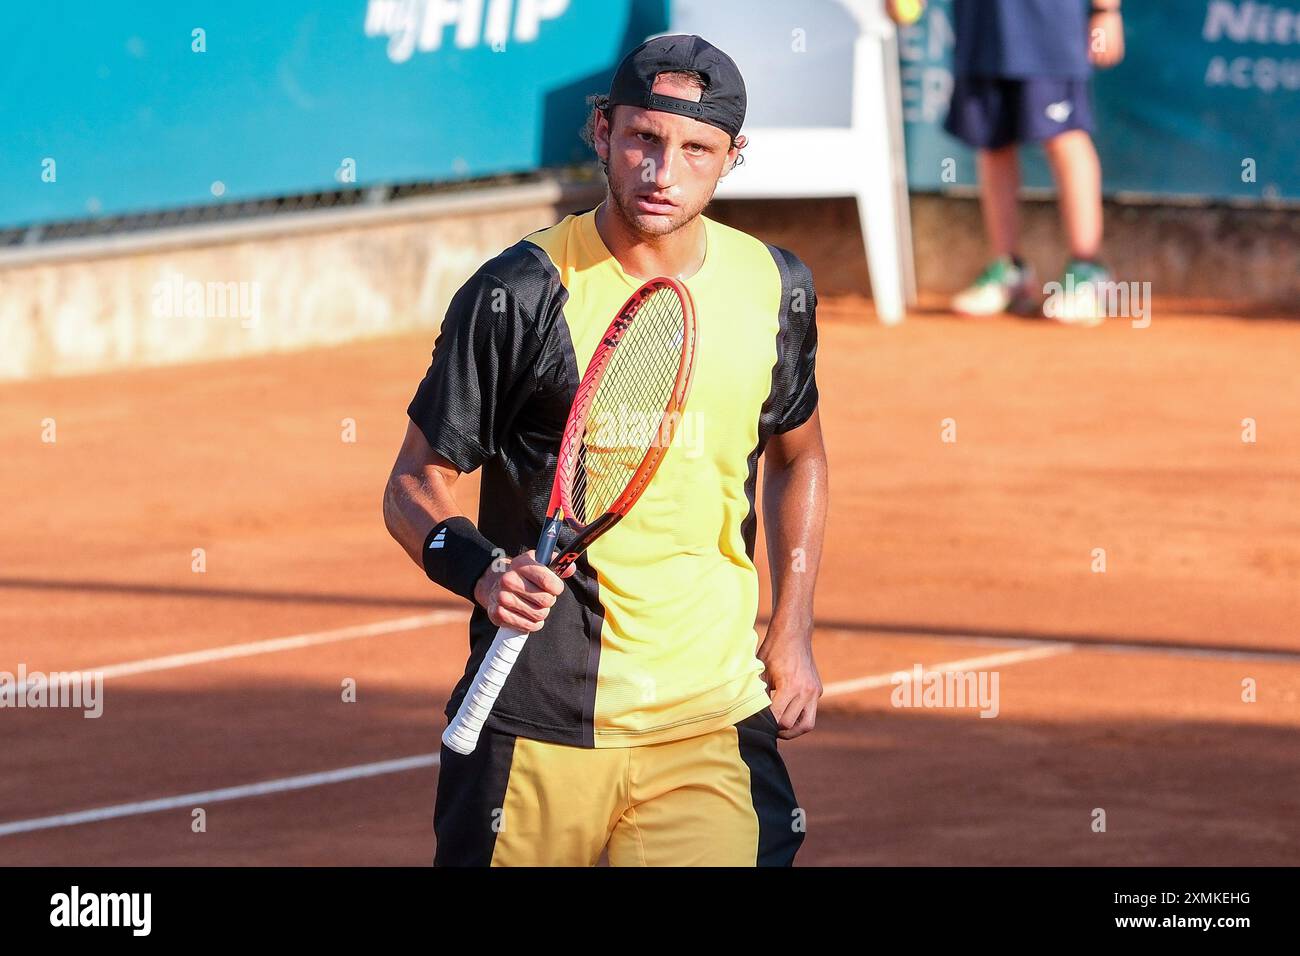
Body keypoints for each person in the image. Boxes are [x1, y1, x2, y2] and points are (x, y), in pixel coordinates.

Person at [383, 34, 828, 866]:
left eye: (696, 150)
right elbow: (414, 481)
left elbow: (800, 454)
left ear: (733, 156)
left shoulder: (776, 286)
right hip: (538, 725)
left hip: (709, 719)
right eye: (642, 139)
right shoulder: (519, 292)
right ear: (601, 131)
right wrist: (481, 571)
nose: (663, 172)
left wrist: (793, 626)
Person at [890, 0, 1126, 323]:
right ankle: (1009, 271)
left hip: (1049, 30)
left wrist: (1106, 11)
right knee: (993, 143)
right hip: (980, 31)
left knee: (1065, 137)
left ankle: (1087, 272)